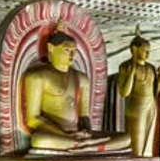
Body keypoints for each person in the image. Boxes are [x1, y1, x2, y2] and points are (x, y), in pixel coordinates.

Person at [22, 22, 131, 153]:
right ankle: (87, 147)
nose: (72, 55)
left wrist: (86, 132)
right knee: (39, 140)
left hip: (78, 135)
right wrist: (64, 134)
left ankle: (89, 146)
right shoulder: (37, 77)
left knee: (126, 138)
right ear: (51, 48)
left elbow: (84, 115)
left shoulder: (82, 78)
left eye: (74, 51)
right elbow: (33, 119)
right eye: (67, 50)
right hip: (56, 135)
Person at [116, 29, 160, 158]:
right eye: (145, 50)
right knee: (137, 143)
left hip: (151, 106)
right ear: (134, 50)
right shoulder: (125, 66)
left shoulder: (151, 68)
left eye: (149, 51)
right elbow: (124, 92)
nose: (148, 54)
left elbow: (154, 93)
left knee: (149, 140)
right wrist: (131, 73)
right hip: (136, 108)